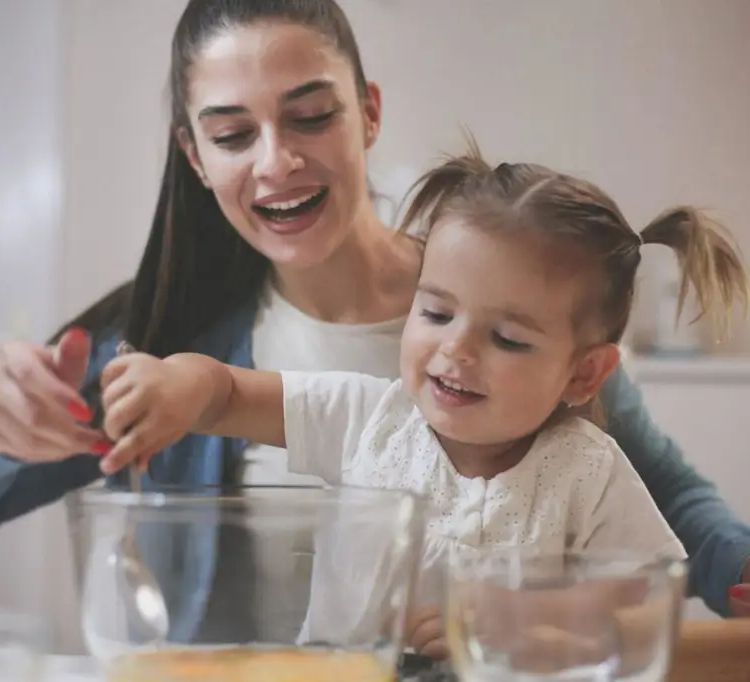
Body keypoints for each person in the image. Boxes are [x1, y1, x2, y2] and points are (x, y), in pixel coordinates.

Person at [0, 0, 750, 640]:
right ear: (194, 154)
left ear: (367, 114)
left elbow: (665, 506)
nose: (276, 162)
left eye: (309, 116)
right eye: (232, 132)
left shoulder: (518, 317)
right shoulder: (169, 339)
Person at [96, 142, 718, 652]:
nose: (458, 350)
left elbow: (652, 607)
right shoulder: (368, 417)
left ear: (584, 374)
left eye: (507, 338)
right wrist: (180, 382)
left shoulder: (588, 472)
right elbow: (228, 393)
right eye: (436, 311)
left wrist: (531, 626)